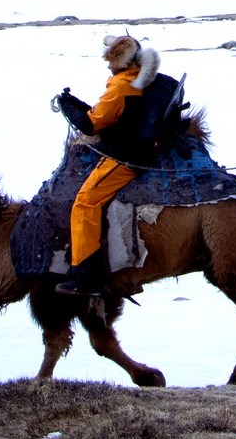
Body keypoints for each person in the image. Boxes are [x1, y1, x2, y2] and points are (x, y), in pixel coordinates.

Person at [51, 35, 163, 296]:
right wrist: (76, 105)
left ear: (120, 62)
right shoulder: (141, 79)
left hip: (126, 158)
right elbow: (106, 113)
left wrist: (68, 109)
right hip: (141, 149)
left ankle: (85, 276)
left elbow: (91, 124)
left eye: (111, 62)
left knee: (85, 202)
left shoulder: (122, 87)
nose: (107, 66)